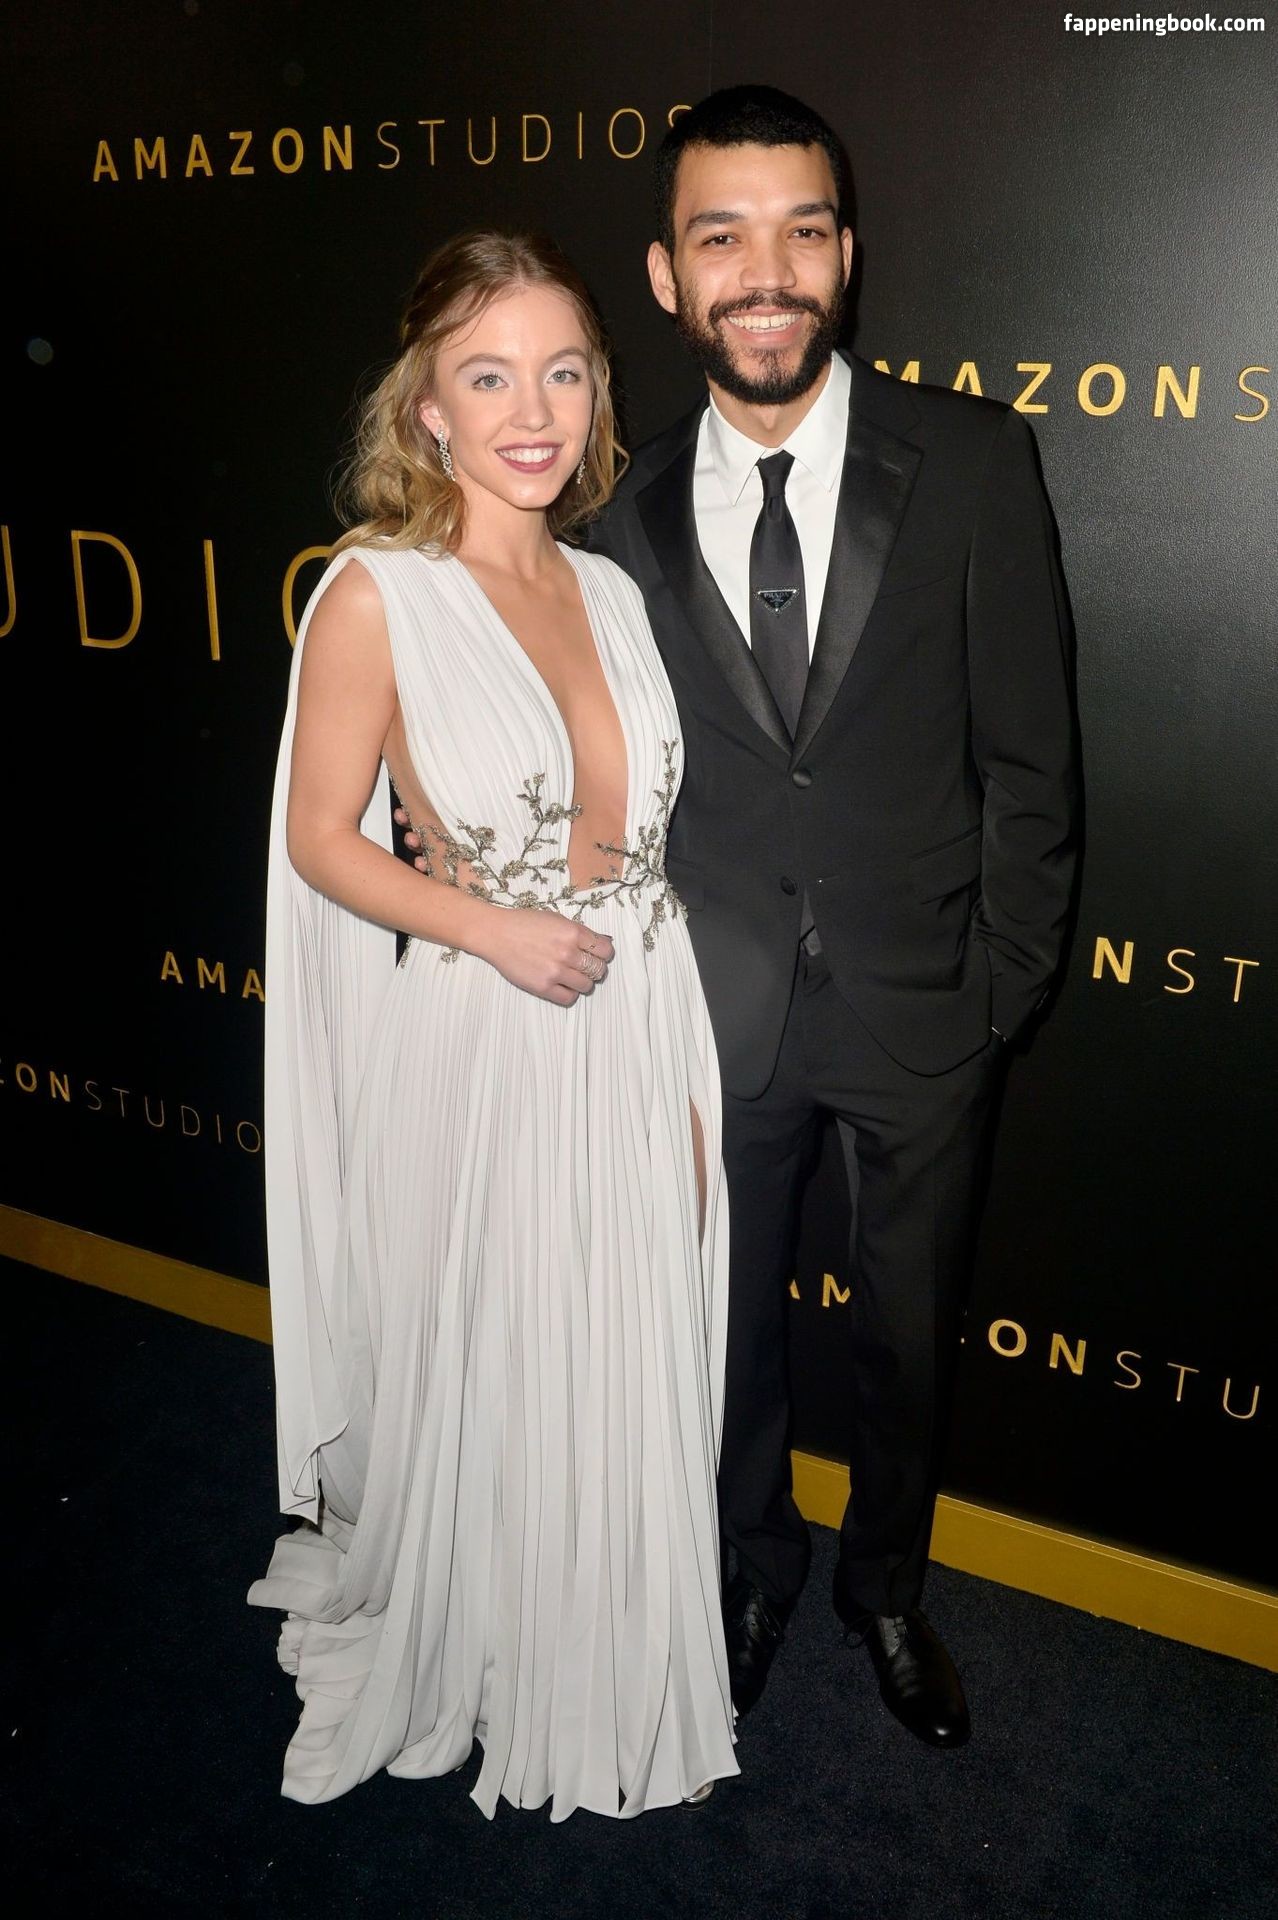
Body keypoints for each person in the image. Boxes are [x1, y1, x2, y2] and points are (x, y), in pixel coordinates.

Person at [589, 87, 1077, 1747]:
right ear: (667, 275)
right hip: (705, 1015)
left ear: (846, 253)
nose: (765, 272)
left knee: (906, 1339)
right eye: (720, 236)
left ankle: (883, 1586)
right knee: (722, 1337)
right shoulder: (620, 511)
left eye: (800, 230)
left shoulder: (974, 459)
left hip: (925, 1004)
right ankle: (749, 1567)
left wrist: (999, 990)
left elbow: (1031, 758)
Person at [248, 230, 738, 1817]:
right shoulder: (374, 594)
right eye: (487, 376)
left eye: (562, 372)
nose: (531, 411)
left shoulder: (609, 587)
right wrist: (491, 928)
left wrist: (677, 1076)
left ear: (595, 394)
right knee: (501, 1357)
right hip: (486, 1027)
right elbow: (321, 838)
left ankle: (597, 1651)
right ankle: (475, 1642)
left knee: (620, 1347)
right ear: (426, 411)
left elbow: (637, 844)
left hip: (642, 1013)